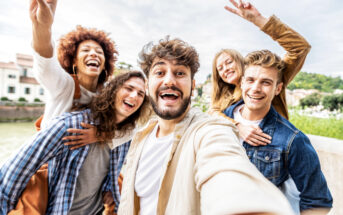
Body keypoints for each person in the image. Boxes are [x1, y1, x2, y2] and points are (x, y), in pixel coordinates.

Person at [117, 37, 294, 214]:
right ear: (147, 86)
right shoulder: (142, 136)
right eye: (160, 73)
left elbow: (224, 162)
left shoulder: (209, 131)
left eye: (180, 73)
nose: (169, 81)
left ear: (193, 86)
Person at [9, 0, 120, 214]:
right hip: (54, 198)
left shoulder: (112, 97)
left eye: (99, 52)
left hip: (93, 200)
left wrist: (100, 133)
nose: (94, 54)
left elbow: (133, 128)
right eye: (86, 50)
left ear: (105, 63)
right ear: (74, 61)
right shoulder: (63, 86)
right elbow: (45, 59)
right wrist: (43, 27)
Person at [0, 71, 150, 214]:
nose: (134, 96)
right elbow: (17, 169)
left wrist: (109, 189)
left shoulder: (125, 138)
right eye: (129, 88)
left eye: (140, 94)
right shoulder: (70, 126)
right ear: (113, 90)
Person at [223, 50, 333, 214]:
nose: (255, 88)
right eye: (251, 80)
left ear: (278, 89)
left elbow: (318, 201)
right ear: (241, 83)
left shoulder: (292, 139)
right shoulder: (218, 121)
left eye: (265, 82)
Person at [210, 0, 311, 146]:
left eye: (228, 62)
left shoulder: (269, 73)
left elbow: (299, 48)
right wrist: (237, 126)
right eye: (220, 68)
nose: (225, 69)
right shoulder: (224, 99)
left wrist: (258, 20)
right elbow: (212, 113)